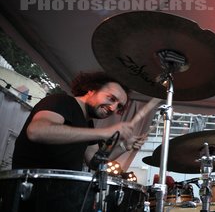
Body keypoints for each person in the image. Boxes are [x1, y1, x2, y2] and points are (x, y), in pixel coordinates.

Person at [12, 71, 146, 171]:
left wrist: (124, 147)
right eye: (111, 98)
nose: (113, 108)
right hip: (30, 188)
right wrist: (105, 132)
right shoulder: (61, 101)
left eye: (119, 106)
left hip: (58, 194)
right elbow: (37, 131)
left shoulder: (89, 125)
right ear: (91, 89)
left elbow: (94, 162)